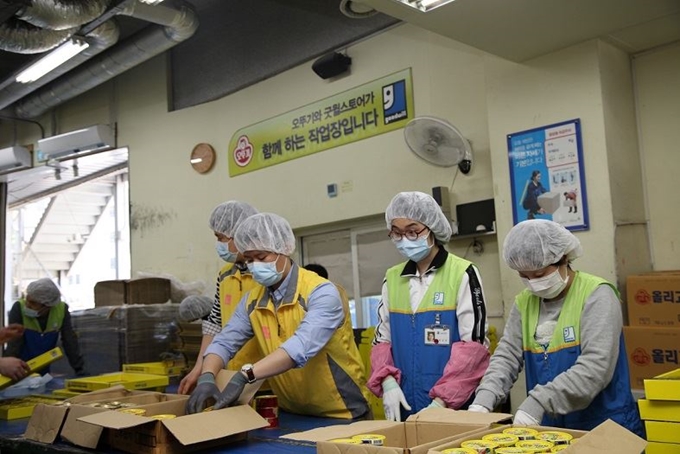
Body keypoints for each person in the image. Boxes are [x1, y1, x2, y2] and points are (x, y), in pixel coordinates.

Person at [186, 213, 371, 419]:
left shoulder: (320, 292)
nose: (255, 265)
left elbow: (299, 347)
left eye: (262, 257)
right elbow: (225, 342)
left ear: (284, 249)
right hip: (292, 411)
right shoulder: (252, 301)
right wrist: (207, 375)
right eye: (249, 259)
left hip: (342, 410)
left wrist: (244, 376)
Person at [468, 220, 643, 435]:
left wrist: (538, 402)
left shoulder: (596, 295)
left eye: (539, 275)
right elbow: (507, 356)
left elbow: (596, 367)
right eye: (524, 276)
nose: (533, 283)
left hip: (604, 425)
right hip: (552, 429)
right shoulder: (524, 302)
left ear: (564, 259)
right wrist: (484, 400)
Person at [368, 191, 490, 421]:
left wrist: (441, 402)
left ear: (432, 229)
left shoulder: (462, 273)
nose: (405, 239)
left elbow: (474, 347)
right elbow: (382, 340)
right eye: (397, 232)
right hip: (404, 401)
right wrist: (388, 381)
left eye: (413, 231)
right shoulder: (392, 278)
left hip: (452, 407)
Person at [178, 201, 263, 395]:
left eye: (220, 237)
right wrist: (201, 368)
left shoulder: (265, 275)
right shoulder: (225, 275)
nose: (218, 244)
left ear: (240, 234)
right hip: (230, 372)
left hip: (265, 377)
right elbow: (215, 324)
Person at [5, 278, 86, 376]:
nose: (27, 305)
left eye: (33, 303)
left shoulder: (61, 310)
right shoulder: (19, 308)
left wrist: (79, 368)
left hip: (43, 366)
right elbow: (14, 344)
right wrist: (8, 369)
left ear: (47, 306)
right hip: (20, 367)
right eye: (27, 300)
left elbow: (69, 341)